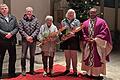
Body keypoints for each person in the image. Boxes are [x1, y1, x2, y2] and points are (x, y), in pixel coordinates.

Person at [81, 8, 112, 80]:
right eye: (91, 13)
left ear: (96, 13)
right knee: (88, 58)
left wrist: (95, 39)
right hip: (88, 44)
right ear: (89, 13)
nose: (92, 14)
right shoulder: (85, 23)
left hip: (98, 45)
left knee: (97, 59)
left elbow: (104, 32)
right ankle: (89, 73)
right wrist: (87, 39)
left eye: (94, 13)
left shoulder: (102, 22)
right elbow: (83, 33)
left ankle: (96, 74)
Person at [60, 9, 82, 77]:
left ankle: (75, 71)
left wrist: (74, 34)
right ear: (67, 14)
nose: (71, 14)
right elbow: (61, 30)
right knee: (67, 57)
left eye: (72, 13)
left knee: (74, 57)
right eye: (69, 13)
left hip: (73, 41)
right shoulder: (63, 21)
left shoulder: (77, 21)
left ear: (74, 14)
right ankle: (67, 69)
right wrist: (61, 36)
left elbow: (79, 31)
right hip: (66, 41)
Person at [19, 7, 40, 76]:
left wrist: (32, 37)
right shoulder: (22, 20)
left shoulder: (36, 20)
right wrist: (27, 37)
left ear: (32, 12)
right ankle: (23, 69)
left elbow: (37, 29)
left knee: (32, 56)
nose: (29, 13)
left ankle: (31, 69)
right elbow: (21, 29)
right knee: (23, 56)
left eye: (30, 11)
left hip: (33, 40)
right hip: (25, 40)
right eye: (28, 11)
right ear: (25, 12)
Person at [0, 4, 18, 78]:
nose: (4, 9)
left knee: (13, 58)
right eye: (2, 8)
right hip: (2, 41)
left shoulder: (13, 18)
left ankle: (11, 73)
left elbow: (16, 27)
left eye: (5, 8)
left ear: (8, 9)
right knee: (0, 58)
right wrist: (6, 34)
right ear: (0, 10)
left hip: (12, 41)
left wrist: (11, 33)